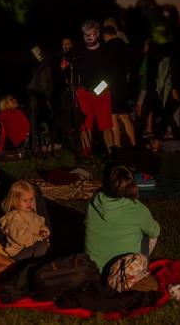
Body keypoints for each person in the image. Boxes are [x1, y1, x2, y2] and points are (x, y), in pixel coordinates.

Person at [84, 165, 160, 273]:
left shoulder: (92, 204)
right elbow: (155, 232)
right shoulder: (139, 209)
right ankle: (139, 269)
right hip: (124, 273)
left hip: (94, 270)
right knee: (147, 233)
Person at [71, 20, 114, 161]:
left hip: (101, 93)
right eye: (86, 35)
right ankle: (86, 155)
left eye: (92, 34)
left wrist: (100, 89)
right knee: (85, 126)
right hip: (83, 92)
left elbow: (111, 74)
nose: (89, 37)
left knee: (105, 125)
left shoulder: (106, 51)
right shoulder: (79, 51)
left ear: (98, 34)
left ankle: (111, 154)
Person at [0, 181, 51, 260]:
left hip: (32, 245)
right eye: (25, 200)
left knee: (45, 246)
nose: (29, 203)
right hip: (19, 251)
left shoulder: (33, 214)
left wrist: (43, 231)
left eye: (31, 199)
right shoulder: (15, 218)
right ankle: (38, 265)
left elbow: (41, 224)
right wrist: (39, 238)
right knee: (41, 246)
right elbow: (21, 236)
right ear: (15, 201)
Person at [102, 25, 136, 147]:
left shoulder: (107, 48)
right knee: (125, 117)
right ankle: (133, 144)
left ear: (106, 35)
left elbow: (104, 70)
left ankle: (117, 146)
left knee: (113, 118)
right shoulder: (126, 47)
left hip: (112, 87)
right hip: (123, 86)